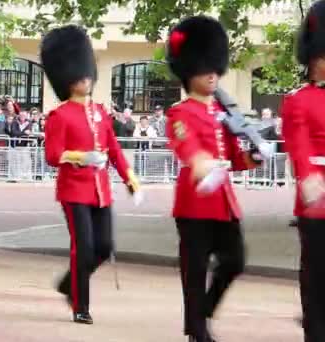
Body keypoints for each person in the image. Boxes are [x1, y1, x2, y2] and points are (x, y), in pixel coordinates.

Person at [164, 16, 263, 342]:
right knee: (194, 273)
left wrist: (256, 156)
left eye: (214, 68)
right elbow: (185, 144)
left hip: (222, 202)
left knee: (235, 261)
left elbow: (234, 158)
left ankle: (199, 315)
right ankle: (198, 330)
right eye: (205, 68)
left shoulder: (223, 113)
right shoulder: (179, 112)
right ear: (189, 71)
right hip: (193, 201)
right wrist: (200, 162)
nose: (212, 74)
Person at [40, 25, 141, 324]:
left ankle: (68, 283)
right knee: (83, 249)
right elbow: (51, 156)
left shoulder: (100, 112)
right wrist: (80, 157)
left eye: (87, 73)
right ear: (68, 79)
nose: (86, 78)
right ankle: (80, 304)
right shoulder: (59, 116)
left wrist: (130, 179)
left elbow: (114, 150)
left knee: (104, 247)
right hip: (74, 191)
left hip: (101, 191)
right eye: (81, 74)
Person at [281, 1, 325, 340]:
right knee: (316, 275)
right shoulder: (299, 99)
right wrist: (307, 175)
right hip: (317, 199)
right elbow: (298, 141)